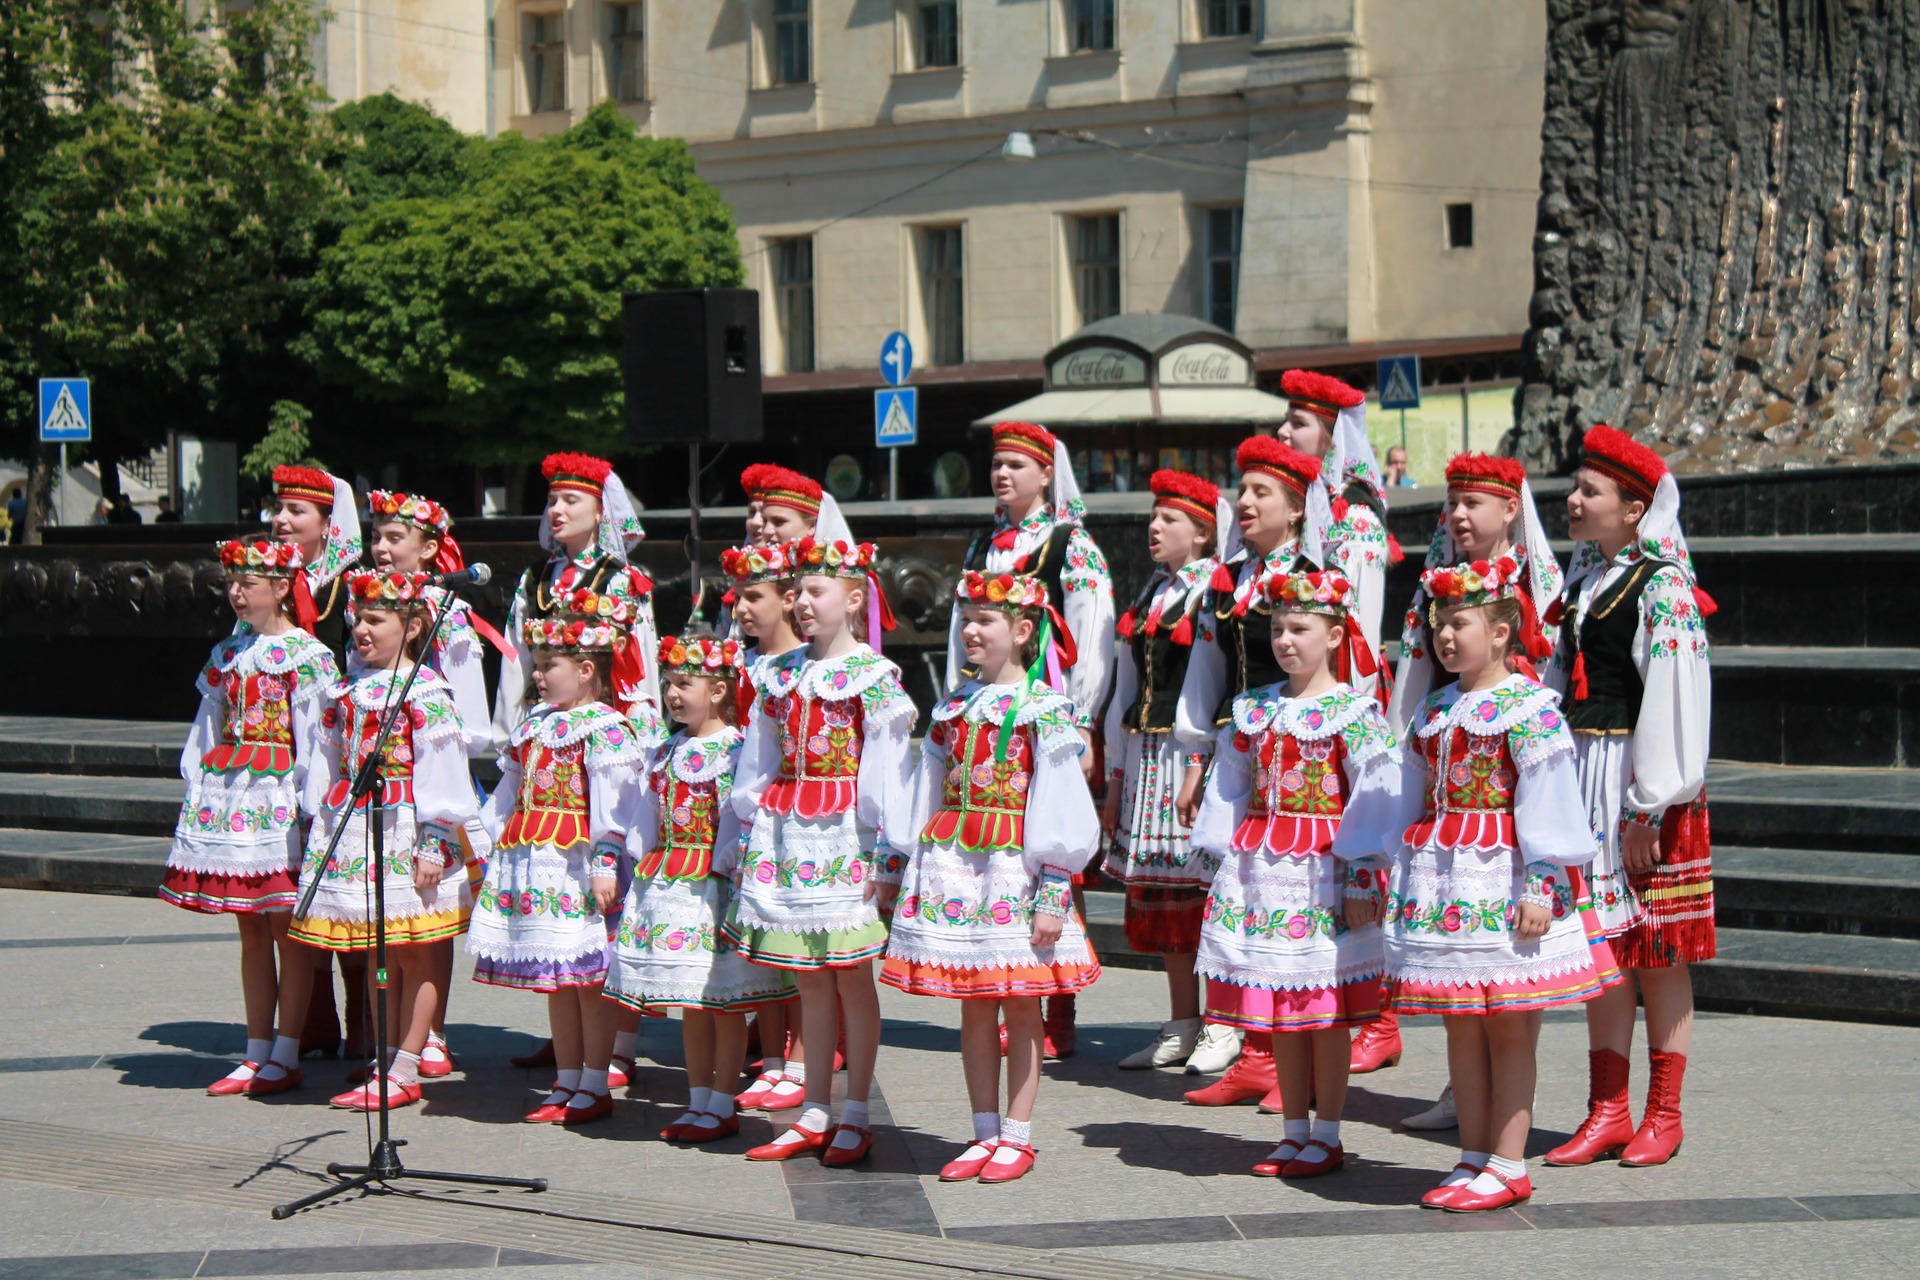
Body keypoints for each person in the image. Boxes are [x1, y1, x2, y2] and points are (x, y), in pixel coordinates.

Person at [1365, 554, 1619, 1212]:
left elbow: (1548, 800)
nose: (1445, 636)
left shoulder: (1529, 709)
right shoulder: (1435, 710)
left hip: (1504, 880)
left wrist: (1541, 881)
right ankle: (1472, 1155)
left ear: (1502, 632)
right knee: (1460, 1023)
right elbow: (1412, 800)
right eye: (1439, 624)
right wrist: (1394, 865)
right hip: (1447, 883)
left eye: (1460, 623)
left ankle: (1509, 1161)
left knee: (1508, 1024)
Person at [879, 571, 1100, 1184]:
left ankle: (1019, 1135)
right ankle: (982, 1132)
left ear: (1023, 631)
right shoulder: (952, 705)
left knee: (1022, 1008)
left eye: (986, 620)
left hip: (1013, 873)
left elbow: (1060, 801)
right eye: (966, 619)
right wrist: (896, 862)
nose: (971, 631)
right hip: (956, 868)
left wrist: (1054, 888)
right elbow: (925, 787)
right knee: (974, 1007)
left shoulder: (1042, 710)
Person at [1367, 453, 1565, 1117]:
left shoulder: (1536, 581)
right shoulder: (1438, 586)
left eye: (1472, 503)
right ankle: (1466, 1095)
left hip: (1520, 772)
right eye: (1451, 503)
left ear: (1510, 508)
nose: (1457, 515)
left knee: (1513, 972)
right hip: (1456, 760)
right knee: (1460, 957)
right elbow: (1419, 669)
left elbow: (1557, 670)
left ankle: (1505, 1104)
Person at [1542, 425, 1715, 1170]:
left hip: (1638, 787)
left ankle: (1664, 1113)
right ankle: (1606, 1108)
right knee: (1601, 950)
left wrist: (1650, 804)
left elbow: (1676, 697)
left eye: (1590, 491)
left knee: (1658, 952)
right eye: (1576, 488)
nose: (1573, 501)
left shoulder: (1664, 587)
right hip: (1584, 773)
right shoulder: (1583, 585)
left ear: (1635, 508)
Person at [1193, 569, 1398, 1178]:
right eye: (1278, 629)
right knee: (1282, 1001)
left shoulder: (1353, 712)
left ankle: (1328, 1131)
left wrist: (1363, 877)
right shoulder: (1253, 709)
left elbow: (1374, 796)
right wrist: (1222, 857)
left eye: (1300, 629)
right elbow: (1230, 785)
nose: (1285, 641)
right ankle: (1291, 1131)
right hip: (1264, 867)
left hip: (1323, 871)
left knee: (1323, 1007)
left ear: (1334, 636)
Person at [730, 537, 917, 1167]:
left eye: (816, 590)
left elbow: (889, 774)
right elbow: (757, 764)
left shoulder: (873, 678)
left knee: (850, 978)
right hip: (787, 833)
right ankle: (813, 1108)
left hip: (845, 840)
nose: (801, 602)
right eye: (797, 592)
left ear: (855, 598)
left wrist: (887, 855)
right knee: (807, 978)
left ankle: (855, 1111)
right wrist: (749, 830)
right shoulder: (776, 675)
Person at [946, 421, 1113, 1058]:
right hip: (987, 715)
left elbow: (1092, 629)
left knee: (1048, 845)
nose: (1003, 475)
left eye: (1017, 465)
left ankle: (1056, 1002)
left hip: (1043, 711)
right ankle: (994, 979)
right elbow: (960, 633)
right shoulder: (982, 544)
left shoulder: (1071, 544)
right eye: (997, 464)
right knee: (991, 848)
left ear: (1047, 474)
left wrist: (1082, 716)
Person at [1173, 436, 1327, 1108]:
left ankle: (1293, 1054)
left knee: (1293, 905)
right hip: (1243, 753)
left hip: (1303, 759)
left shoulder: (1317, 574)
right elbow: (1205, 673)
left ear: (1295, 510)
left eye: (1261, 492)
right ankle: (1253, 1049)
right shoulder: (1226, 579)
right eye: (1243, 491)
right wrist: (1195, 760)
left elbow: (1339, 673)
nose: (1245, 502)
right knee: (1242, 899)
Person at [289, 570, 477, 1111]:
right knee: (380, 950)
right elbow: (326, 761)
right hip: (358, 828)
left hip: (403, 830)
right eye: (357, 618)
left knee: (414, 951)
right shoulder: (346, 687)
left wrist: (435, 841)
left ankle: (407, 1062)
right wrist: (321, 822)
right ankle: (386, 1053)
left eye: (375, 620)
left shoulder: (425, 692)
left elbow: (441, 773)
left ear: (414, 626)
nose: (361, 629)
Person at [468, 587, 657, 1126]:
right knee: (556, 978)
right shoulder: (533, 725)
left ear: (588, 671)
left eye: (551, 666)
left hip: (576, 867)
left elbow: (614, 808)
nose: (541, 676)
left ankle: (594, 1082)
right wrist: (480, 841)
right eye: (539, 666)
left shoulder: (605, 729)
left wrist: (603, 863)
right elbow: (506, 795)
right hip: (533, 862)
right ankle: (567, 1078)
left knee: (587, 977)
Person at [160, 539, 339, 1097]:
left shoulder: (307, 656)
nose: (237, 593)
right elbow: (208, 724)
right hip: (235, 796)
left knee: (289, 931)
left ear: (283, 588)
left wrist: (314, 808)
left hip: (279, 800)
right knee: (250, 929)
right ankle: (255, 1049)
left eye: (249, 583)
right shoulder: (227, 653)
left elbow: (316, 740)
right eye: (232, 582)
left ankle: (287, 1050)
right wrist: (200, 784)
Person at [604, 631, 794, 1142]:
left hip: (710, 886)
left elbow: (736, 818)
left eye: (684, 683)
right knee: (691, 1000)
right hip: (667, 883)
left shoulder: (733, 750)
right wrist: (641, 856)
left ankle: (721, 1101)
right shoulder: (666, 749)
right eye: (668, 683)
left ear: (717, 691)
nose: (672, 694)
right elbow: (647, 816)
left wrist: (729, 864)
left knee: (721, 1000)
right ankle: (697, 1099)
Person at [1101, 471, 1238, 1074]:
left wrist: (1201, 762)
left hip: (1192, 758)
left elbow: (1214, 683)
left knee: (1206, 894)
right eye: (1153, 519)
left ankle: (1226, 1024)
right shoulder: (1152, 591)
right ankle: (1183, 1021)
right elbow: (1127, 685)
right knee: (1168, 899)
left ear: (1203, 532)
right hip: (1150, 759)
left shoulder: (1215, 590)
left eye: (1169, 520)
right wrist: (1116, 775)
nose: (1154, 528)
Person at [491, 452, 659, 751]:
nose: (557, 510)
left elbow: (640, 661)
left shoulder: (621, 579)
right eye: (553, 500)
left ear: (599, 512)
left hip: (602, 724)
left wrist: (642, 734)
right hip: (541, 720)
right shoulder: (534, 579)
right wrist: (507, 737)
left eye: (571, 500)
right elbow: (515, 657)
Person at [1276, 370, 1392, 685]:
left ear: (1331, 439)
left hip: (1338, 688)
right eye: (1285, 421)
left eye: (1298, 424)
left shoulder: (1355, 517)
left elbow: (1363, 625)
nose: (1282, 432)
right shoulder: (1297, 501)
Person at [268, 466, 362, 658]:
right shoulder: (265, 576)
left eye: (296, 511)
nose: (280, 518)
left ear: (327, 524)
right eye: (278, 509)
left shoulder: (349, 582)